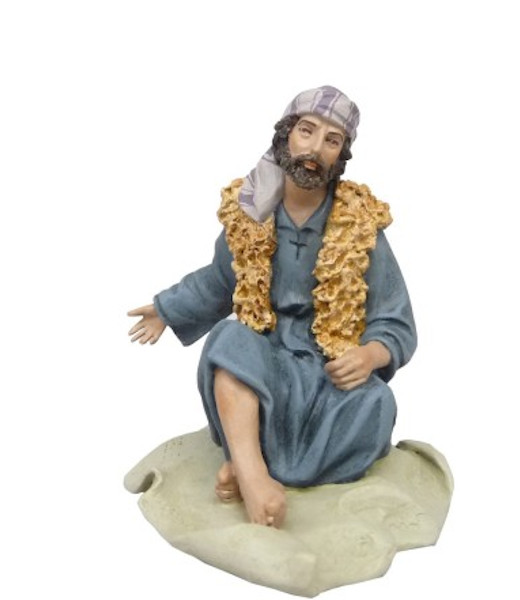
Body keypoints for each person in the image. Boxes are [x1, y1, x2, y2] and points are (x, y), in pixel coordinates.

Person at [128, 85, 417, 529]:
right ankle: (253, 472)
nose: (314, 149)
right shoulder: (252, 212)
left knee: (376, 404)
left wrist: (369, 355)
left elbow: (395, 318)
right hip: (265, 354)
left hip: (325, 367)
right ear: (285, 136)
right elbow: (219, 282)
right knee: (229, 342)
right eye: (306, 131)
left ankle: (252, 465)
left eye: (331, 140)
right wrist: (166, 309)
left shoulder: (360, 226)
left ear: (341, 155)